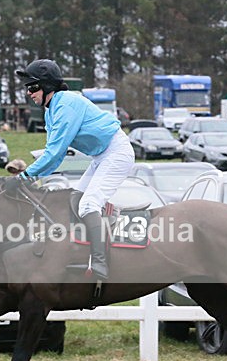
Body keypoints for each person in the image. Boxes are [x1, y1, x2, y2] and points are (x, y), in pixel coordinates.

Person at [9, 58, 135, 279]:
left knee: (87, 205)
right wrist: (30, 178)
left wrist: (26, 177)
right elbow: (55, 157)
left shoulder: (65, 104)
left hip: (116, 153)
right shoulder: (51, 110)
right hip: (101, 155)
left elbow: (54, 153)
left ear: (47, 86)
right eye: (27, 88)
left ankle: (100, 265)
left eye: (32, 87)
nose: (29, 93)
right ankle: (94, 236)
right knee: (75, 200)